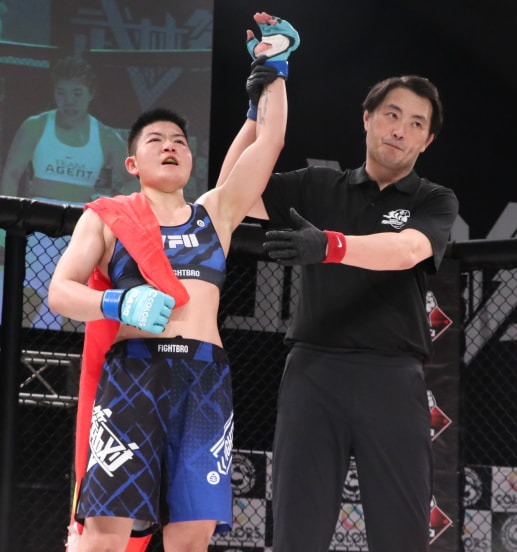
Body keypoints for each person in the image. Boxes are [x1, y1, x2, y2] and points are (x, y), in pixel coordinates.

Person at [47, 13, 298, 552]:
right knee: (105, 536)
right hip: (133, 375)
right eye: (156, 140)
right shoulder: (108, 218)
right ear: (132, 162)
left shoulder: (216, 214)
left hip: (203, 381)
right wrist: (120, 303)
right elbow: (60, 292)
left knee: (190, 539)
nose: (170, 146)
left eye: (179, 141)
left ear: (190, 157)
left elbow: (270, 141)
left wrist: (274, 67)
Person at [219, 48, 458, 548]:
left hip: (392, 377)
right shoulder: (317, 185)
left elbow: (408, 250)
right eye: (391, 115)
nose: (400, 130)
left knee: (401, 537)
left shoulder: (433, 199)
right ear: (367, 118)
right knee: (296, 534)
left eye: (416, 124)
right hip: (314, 372)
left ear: (428, 140)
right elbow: (229, 195)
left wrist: (331, 246)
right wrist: (255, 116)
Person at [0, 56, 136, 329]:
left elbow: (135, 180)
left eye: (76, 93)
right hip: (35, 231)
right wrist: (4, 232)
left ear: (90, 94)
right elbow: (11, 175)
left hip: (80, 231)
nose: (68, 101)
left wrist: (108, 205)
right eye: (61, 92)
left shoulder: (106, 135)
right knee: (24, 304)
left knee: (75, 309)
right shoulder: (35, 126)